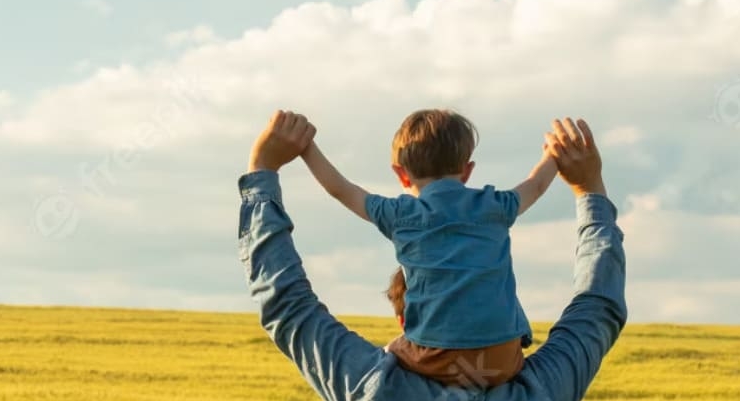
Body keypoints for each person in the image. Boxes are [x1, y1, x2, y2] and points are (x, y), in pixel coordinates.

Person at [238, 110, 628, 401]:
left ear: (406, 316)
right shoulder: (543, 391)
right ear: (467, 169)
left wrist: (265, 170)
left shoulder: (377, 389)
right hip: (504, 360)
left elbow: (287, 307)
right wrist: (587, 186)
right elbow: (598, 308)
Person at [297, 109, 558, 387]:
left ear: (401, 174)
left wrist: (306, 148)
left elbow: (342, 189)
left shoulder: (400, 213)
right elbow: (537, 184)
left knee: (388, 354)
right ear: (467, 171)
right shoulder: (496, 205)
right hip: (503, 359)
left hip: (438, 359)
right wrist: (554, 153)